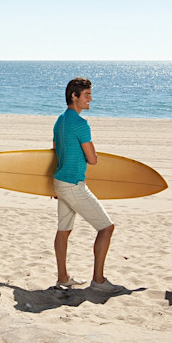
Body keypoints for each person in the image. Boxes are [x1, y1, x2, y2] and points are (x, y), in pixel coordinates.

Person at [52, 77, 120, 293]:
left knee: (63, 231)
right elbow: (92, 159)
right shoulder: (81, 124)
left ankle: (63, 277)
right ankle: (98, 281)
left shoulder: (60, 120)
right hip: (73, 184)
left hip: (60, 181)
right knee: (106, 228)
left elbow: (54, 151)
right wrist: (92, 153)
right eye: (87, 95)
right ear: (74, 96)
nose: (90, 99)